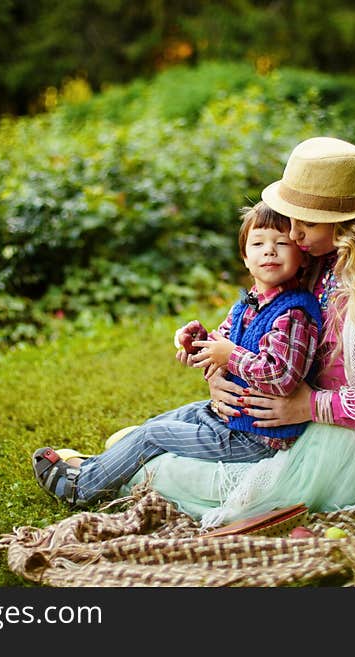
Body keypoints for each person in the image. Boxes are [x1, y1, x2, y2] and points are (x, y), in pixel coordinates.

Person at [119, 136, 355, 528]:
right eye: (289, 217)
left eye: (306, 222)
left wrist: (310, 406)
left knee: (160, 469)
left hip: (345, 438)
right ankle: (129, 457)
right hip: (269, 425)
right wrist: (219, 375)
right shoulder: (311, 253)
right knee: (139, 443)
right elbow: (261, 330)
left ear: (346, 221)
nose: (291, 235)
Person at [32, 201, 323, 508]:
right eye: (258, 243)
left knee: (153, 435)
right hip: (230, 418)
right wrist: (198, 342)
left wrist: (230, 355)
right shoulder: (248, 304)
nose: (269, 251)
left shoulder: (293, 313)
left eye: (281, 243)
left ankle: (81, 488)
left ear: (301, 257)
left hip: (257, 439)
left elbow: (282, 376)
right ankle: (99, 468)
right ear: (245, 256)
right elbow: (220, 346)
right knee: (158, 422)